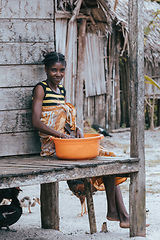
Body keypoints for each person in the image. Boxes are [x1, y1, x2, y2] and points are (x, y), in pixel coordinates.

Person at [32, 51, 129, 228]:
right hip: (51, 147)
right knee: (103, 159)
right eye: (54, 70)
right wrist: (60, 135)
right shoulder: (41, 88)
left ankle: (118, 213)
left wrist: (75, 129)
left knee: (108, 157)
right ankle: (118, 213)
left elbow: (65, 120)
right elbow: (36, 121)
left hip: (65, 143)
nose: (58, 74)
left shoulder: (61, 90)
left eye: (61, 70)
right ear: (46, 69)